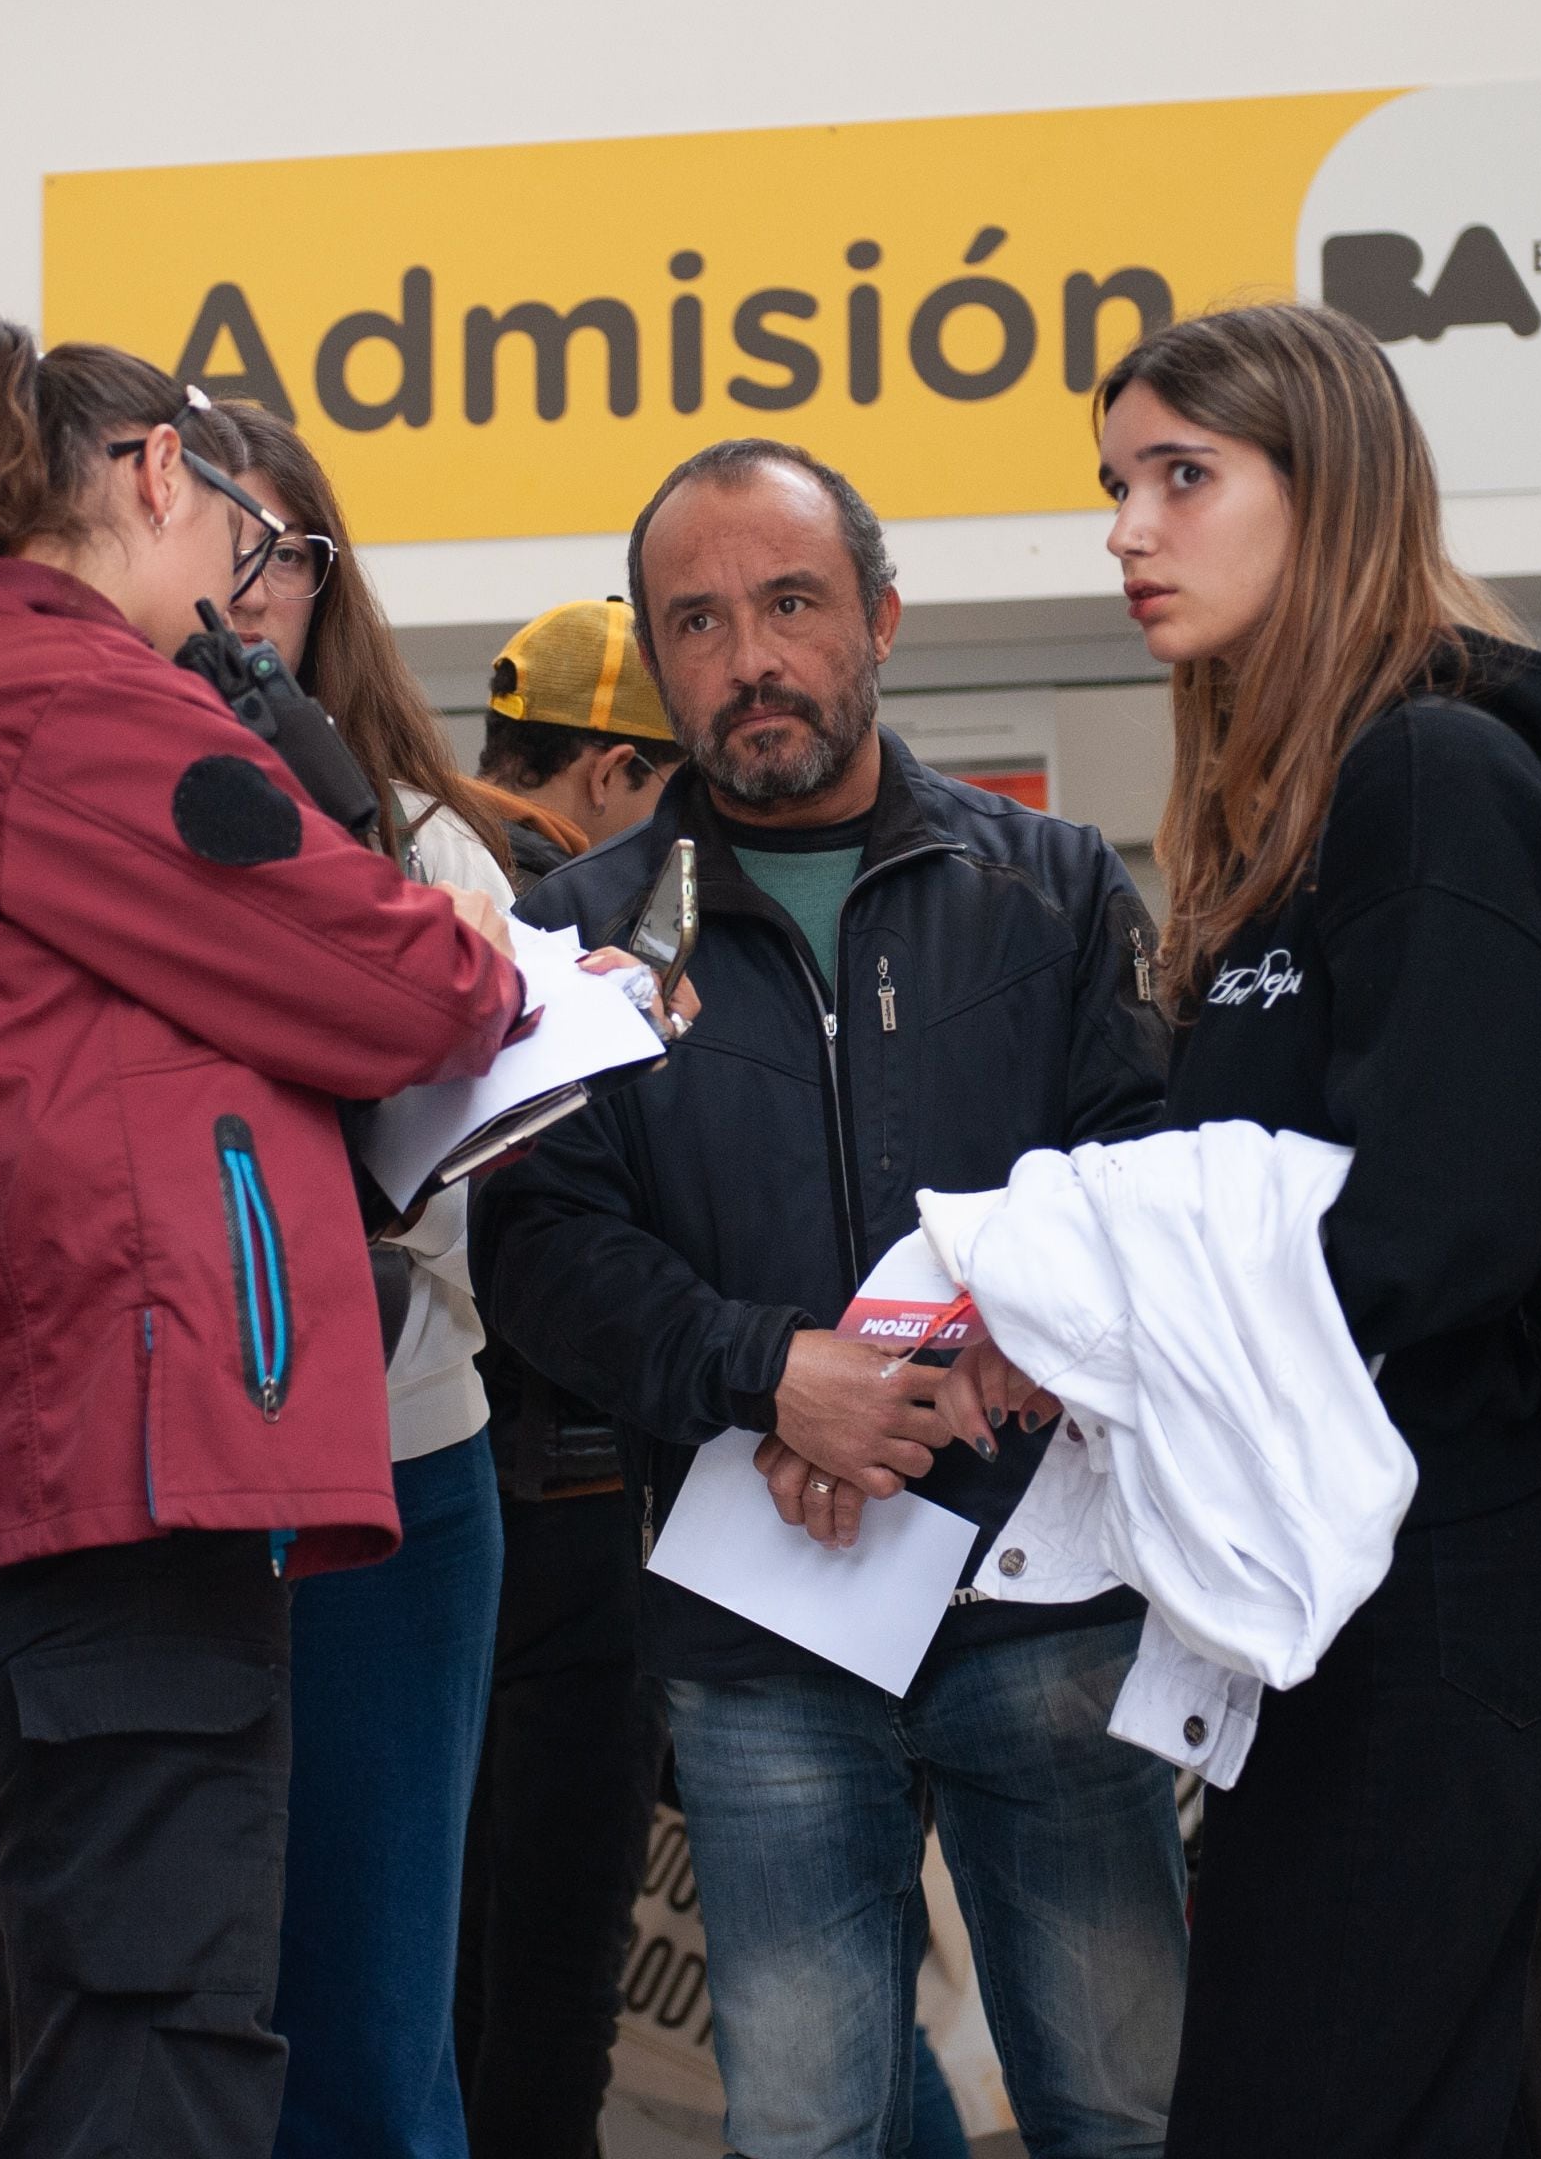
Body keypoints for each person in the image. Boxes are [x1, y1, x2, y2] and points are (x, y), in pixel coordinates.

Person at [0, 322, 531, 2157]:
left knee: (85, 2033)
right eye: (234, 533)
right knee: (165, 2050)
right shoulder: (71, 709)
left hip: (30, 1456)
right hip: (122, 1473)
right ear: (151, 477)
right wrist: (476, 939)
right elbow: (407, 982)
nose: (240, 592)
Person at [479, 436, 1187, 2159]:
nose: (749, 656)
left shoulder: (1057, 886)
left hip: (1052, 1596)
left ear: (878, 616)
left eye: (790, 602)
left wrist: (888, 1377)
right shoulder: (579, 933)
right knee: (806, 2128)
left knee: (1129, 2103)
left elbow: (1131, 1187)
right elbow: (543, 1250)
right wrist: (766, 1374)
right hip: (760, 1637)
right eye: (698, 622)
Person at [1088, 301, 1541, 2158]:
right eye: (1118, 486)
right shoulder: (1300, 811)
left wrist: (1146, 1321)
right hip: (1334, 1591)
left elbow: (1462, 1192)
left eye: (1183, 476)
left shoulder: (1434, 774)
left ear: (1331, 490)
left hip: (1441, 1572)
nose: (1129, 532)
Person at [207, 400, 528, 2159]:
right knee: (129, 2008)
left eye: (287, 558)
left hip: (400, 1475)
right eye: (215, 545)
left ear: (332, 594)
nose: (247, 594)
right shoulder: (98, 822)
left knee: (373, 2028)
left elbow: (464, 1211)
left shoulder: (426, 847)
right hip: (155, 1496)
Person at [453, 595, 684, 2159]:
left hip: (432, 1502)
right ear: (612, 770)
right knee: (540, 2010)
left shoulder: (422, 881)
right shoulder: (576, 932)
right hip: (569, 1500)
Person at [473, 597, 685, 878]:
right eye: (673, 792)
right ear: (606, 774)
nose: (678, 820)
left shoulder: (418, 850)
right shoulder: (545, 908)